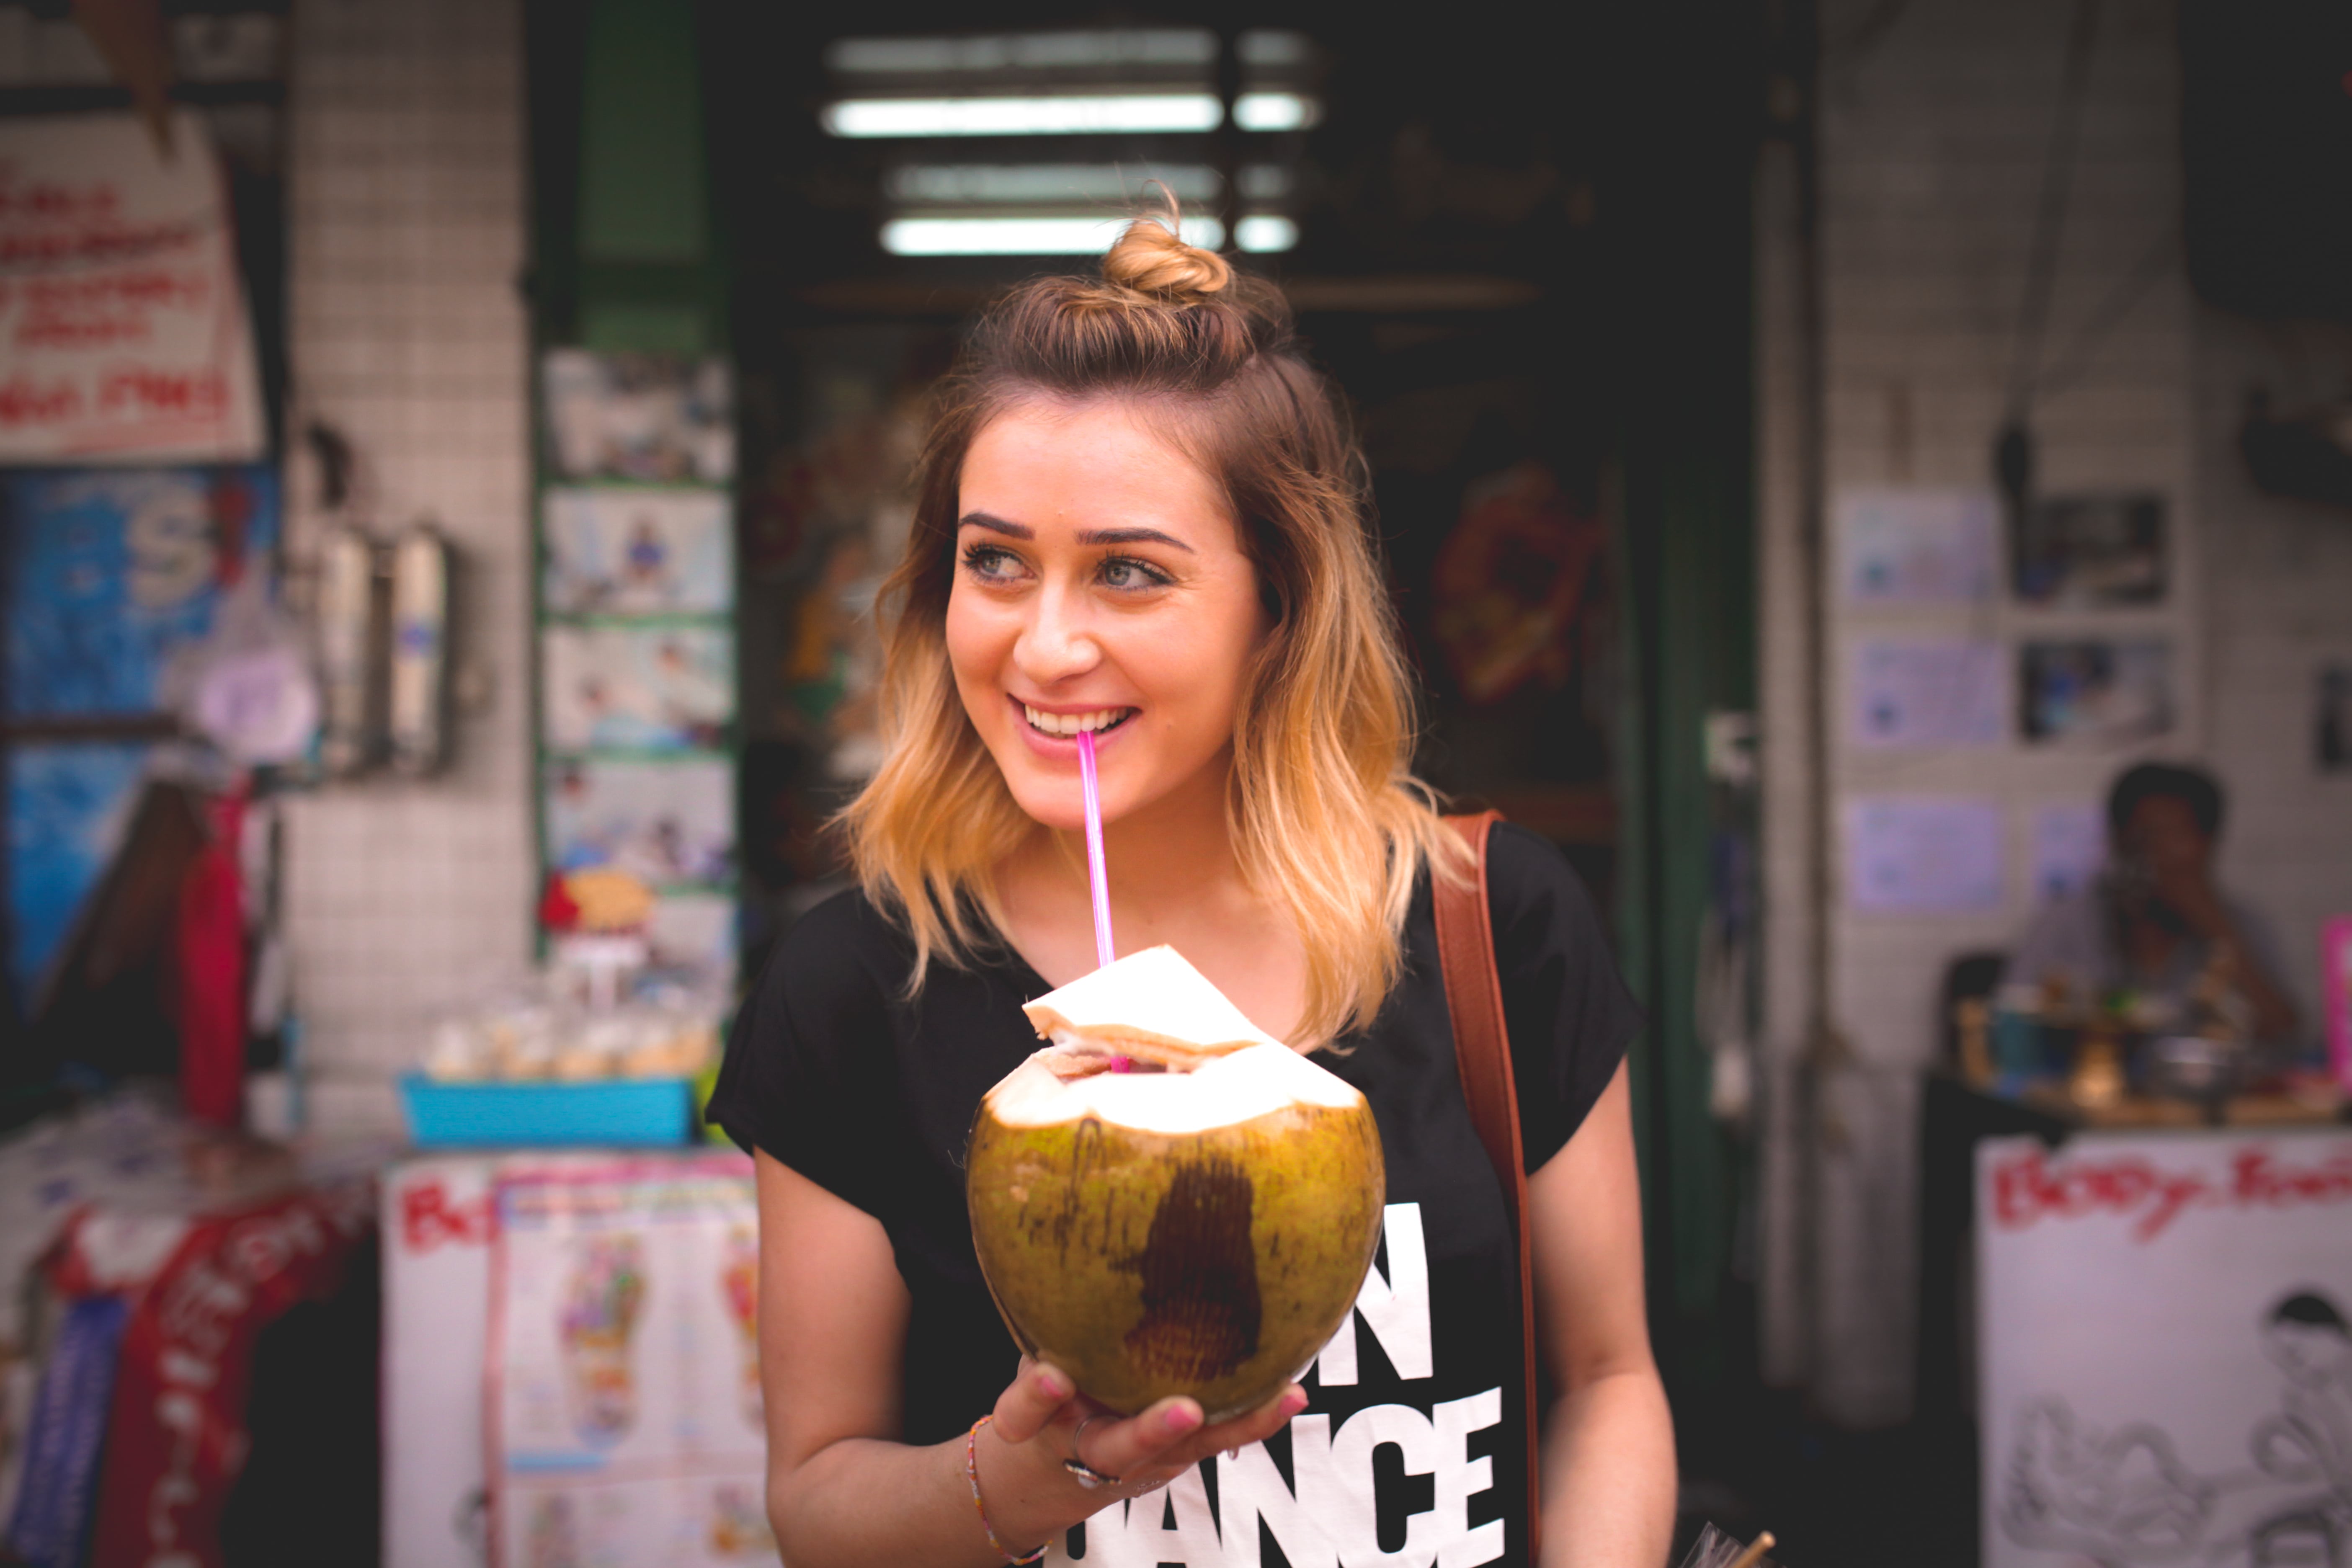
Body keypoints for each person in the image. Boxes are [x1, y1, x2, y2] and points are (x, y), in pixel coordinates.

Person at [706, 212, 1674, 1568]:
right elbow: (816, 1496)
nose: (1043, 644)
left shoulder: (1490, 920)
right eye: (994, 562)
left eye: (1128, 571)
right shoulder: (855, 987)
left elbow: (1608, 1380)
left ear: (1276, 606)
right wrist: (1011, 1483)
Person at [2005, 761, 2299, 1040]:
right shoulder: (2067, 923)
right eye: (2148, 837)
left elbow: (2286, 1035)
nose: (2161, 859)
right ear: (2118, 843)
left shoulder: (2243, 926)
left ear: (2208, 844)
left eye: (2179, 837)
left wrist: (2214, 925)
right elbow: (2013, 1022)